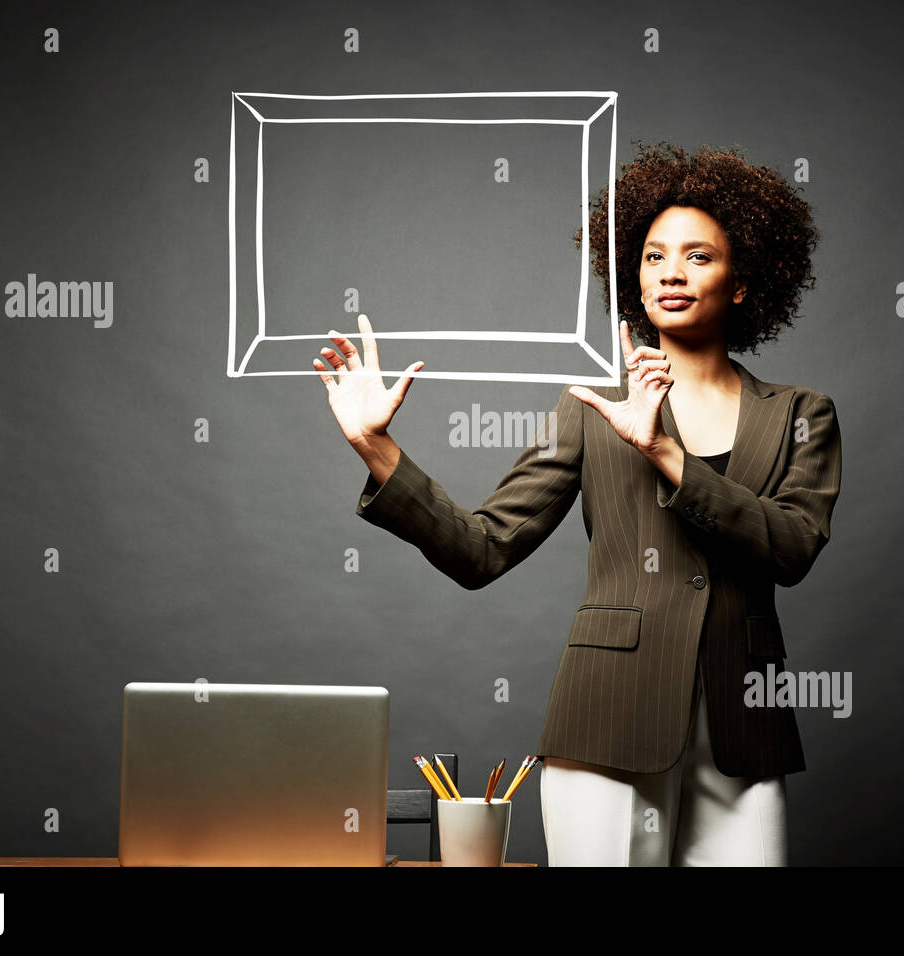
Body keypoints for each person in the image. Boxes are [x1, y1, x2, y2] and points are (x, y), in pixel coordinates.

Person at [312, 140, 842, 865]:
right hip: (605, 717)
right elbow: (482, 548)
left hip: (745, 731)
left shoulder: (802, 412)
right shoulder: (590, 408)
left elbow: (793, 548)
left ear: (743, 282)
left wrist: (663, 453)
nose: (671, 274)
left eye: (698, 257)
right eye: (653, 257)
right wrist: (378, 451)